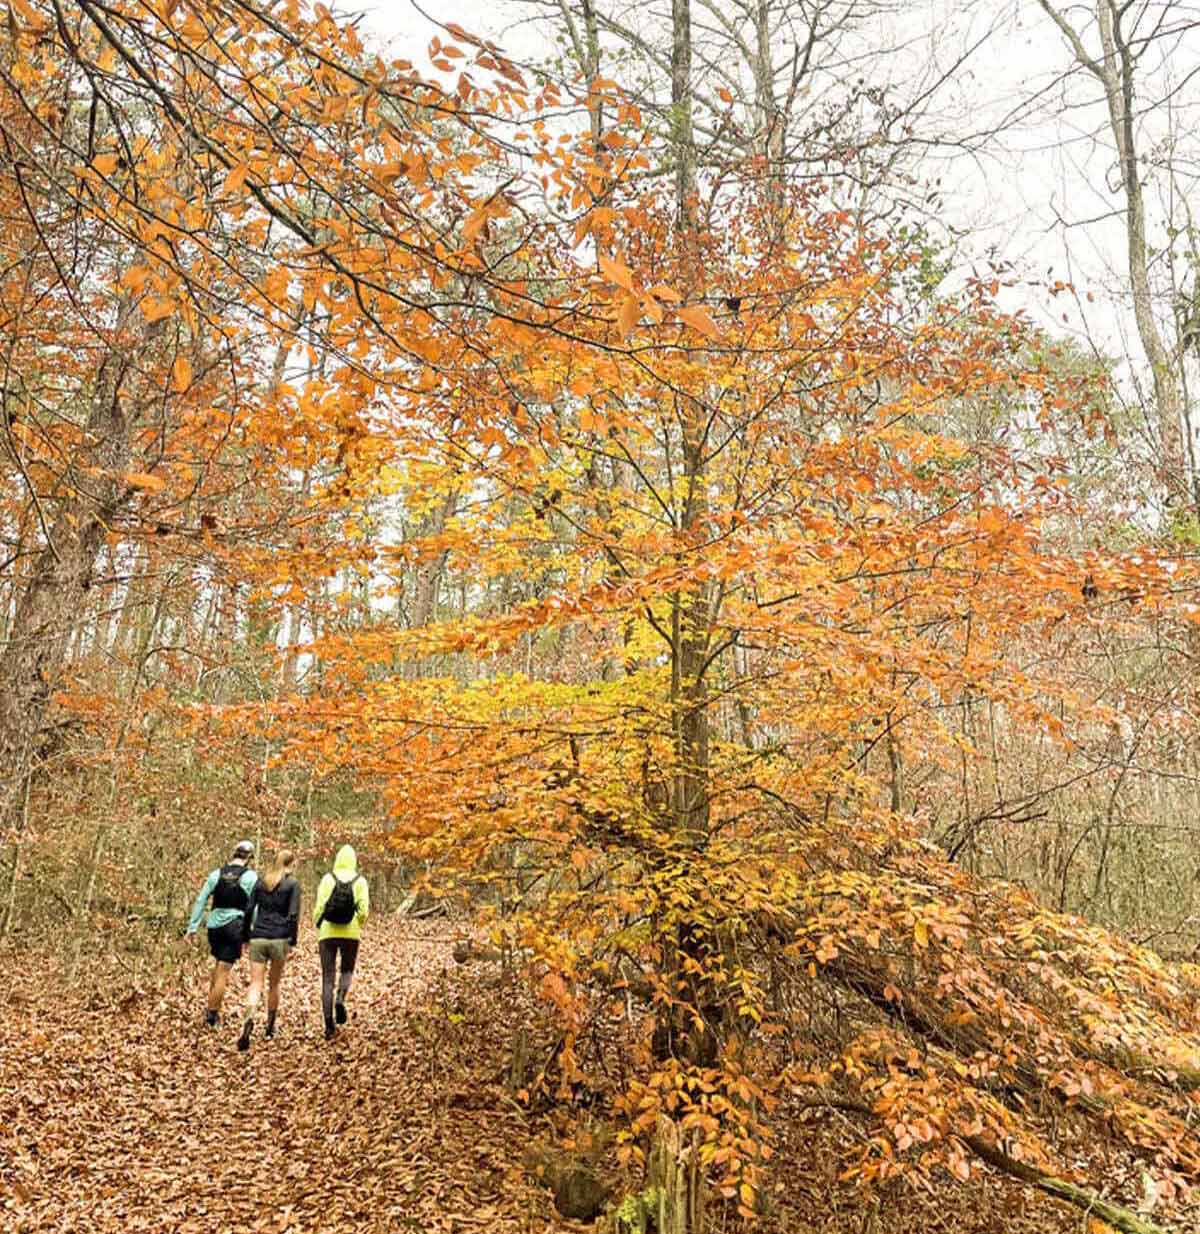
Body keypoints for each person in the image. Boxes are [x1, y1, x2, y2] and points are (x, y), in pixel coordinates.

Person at [185, 840, 257, 1026]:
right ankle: (212, 1015)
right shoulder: (250, 877)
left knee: (218, 966)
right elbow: (254, 907)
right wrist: (254, 930)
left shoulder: (216, 874)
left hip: (214, 926)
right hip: (234, 926)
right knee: (224, 970)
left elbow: (201, 900)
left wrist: (192, 927)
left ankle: (211, 1005)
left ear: (234, 853)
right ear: (249, 858)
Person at [237, 848, 300, 1052]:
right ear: (291, 864)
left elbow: (248, 910)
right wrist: (293, 940)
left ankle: (249, 1017)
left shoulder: (261, 882)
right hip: (279, 938)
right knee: (274, 984)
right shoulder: (292, 884)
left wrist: (246, 935)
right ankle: (270, 1027)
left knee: (256, 983)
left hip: (259, 936)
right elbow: (293, 915)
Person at [313, 844, 369, 1040]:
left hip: (327, 933)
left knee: (327, 977)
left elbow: (319, 905)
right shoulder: (360, 881)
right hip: (351, 933)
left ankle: (329, 1025)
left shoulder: (328, 879)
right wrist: (358, 924)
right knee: (346, 970)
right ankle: (340, 999)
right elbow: (364, 910)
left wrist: (318, 924)